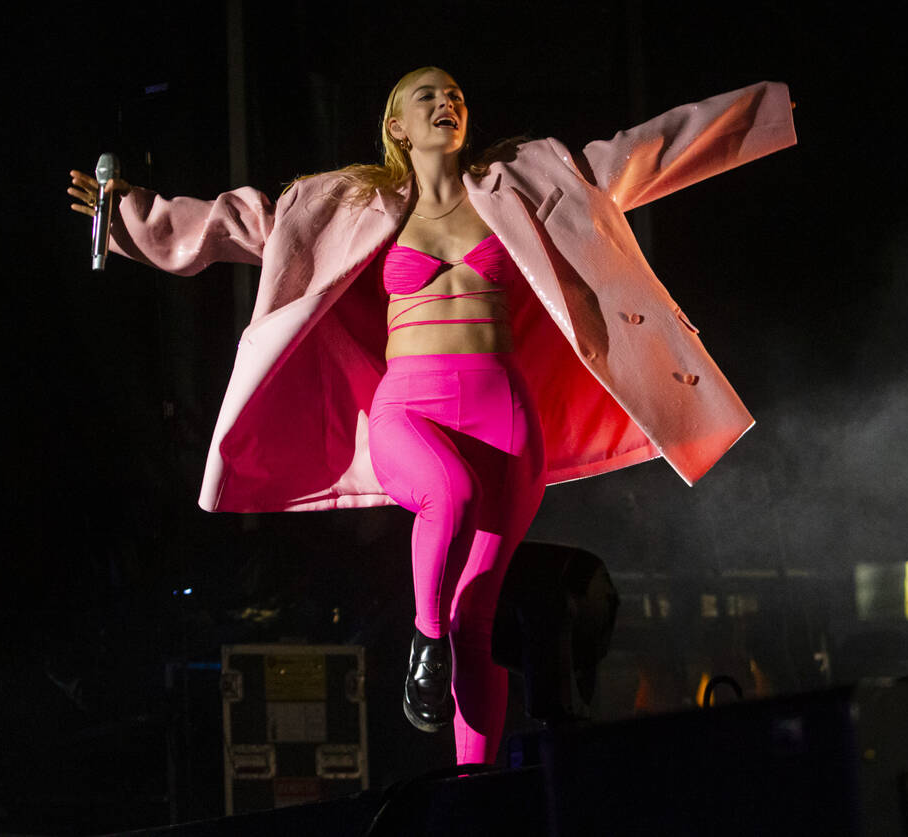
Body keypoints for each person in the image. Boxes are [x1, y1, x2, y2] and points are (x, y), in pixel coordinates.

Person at [68, 66, 796, 764]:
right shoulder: (347, 206)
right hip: (408, 410)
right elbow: (234, 222)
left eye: (454, 95)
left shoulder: (524, 181)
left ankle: (474, 790)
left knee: (476, 621)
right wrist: (129, 212)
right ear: (396, 124)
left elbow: (648, 151)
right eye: (427, 96)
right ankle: (423, 638)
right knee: (446, 496)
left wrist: (769, 107)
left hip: (506, 419)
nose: (446, 102)